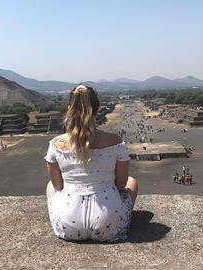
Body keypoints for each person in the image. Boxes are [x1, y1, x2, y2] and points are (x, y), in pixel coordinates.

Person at [45, 85, 138, 242]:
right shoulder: (115, 142)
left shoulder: (55, 144)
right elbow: (121, 184)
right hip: (108, 224)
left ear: (69, 109)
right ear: (98, 109)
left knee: (50, 186)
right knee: (132, 181)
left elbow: (58, 187)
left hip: (69, 226)